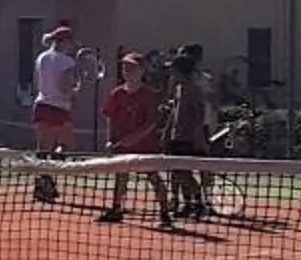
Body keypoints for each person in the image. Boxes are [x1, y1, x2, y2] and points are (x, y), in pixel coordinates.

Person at [96, 50, 168, 227]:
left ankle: (165, 212)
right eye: (125, 67)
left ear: (142, 71)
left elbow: (151, 123)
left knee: (153, 177)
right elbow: (110, 117)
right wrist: (110, 139)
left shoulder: (149, 96)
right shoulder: (117, 94)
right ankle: (116, 209)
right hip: (122, 146)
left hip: (145, 147)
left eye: (132, 68)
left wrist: (133, 139)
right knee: (121, 176)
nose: (127, 71)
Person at [28, 24, 92, 201]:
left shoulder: (41, 58)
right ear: (64, 42)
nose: (72, 46)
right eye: (70, 42)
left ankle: (43, 182)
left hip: (41, 105)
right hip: (58, 107)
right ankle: (47, 179)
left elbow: (39, 83)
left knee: (42, 149)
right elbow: (65, 87)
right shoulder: (67, 62)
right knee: (65, 145)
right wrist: (76, 91)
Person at [161, 43, 220, 223]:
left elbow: (199, 113)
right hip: (176, 136)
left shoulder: (194, 90)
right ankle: (188, 203)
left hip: (187, 137)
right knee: (177, 172)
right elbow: (174, 112)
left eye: (174, 70)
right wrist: (166, 132)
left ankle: (198, 202)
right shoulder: (178, 89)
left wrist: (197, 135)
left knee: (184, 172)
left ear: (182, 71)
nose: (171, 73)